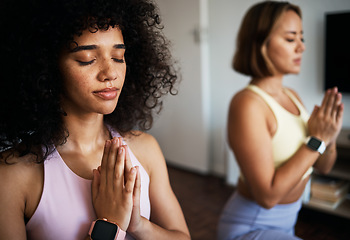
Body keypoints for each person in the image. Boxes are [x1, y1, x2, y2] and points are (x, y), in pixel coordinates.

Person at [0, 0, 190, 239]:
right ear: (45, 68)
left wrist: (137, 224)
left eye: (118, 57)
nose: (110, 73)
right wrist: (108, 227)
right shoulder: (12, 175)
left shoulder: (145, 149)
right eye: (87, 59)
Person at [218, 1, 344, 240]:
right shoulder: (247, 104)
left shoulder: (292, 97)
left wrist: (330, 136)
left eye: (301, 38)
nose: (302, 47)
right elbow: (268, 197)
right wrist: (317, 139)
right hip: (250, 227)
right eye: (290, 39)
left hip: (286, 225)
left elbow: (323, 166)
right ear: (260, 43)